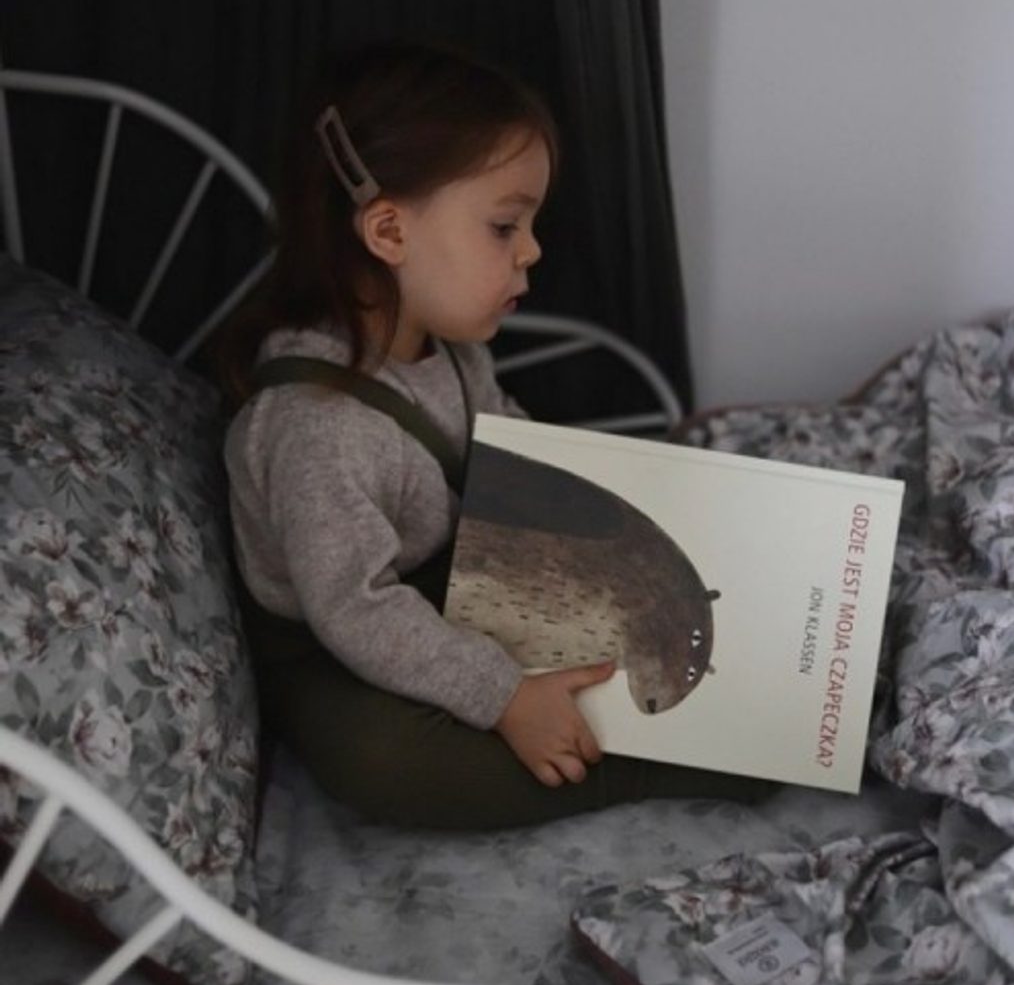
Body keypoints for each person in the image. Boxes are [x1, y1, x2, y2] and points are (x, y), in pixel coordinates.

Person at [220, 42, 772, 829]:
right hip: (338, 642)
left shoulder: (451, 352)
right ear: (388, 230)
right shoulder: (317, 430)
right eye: (505, 225)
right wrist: (505, 695)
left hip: (443, 581)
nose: (533, 249)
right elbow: (357, 612)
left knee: (607, 596)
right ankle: (644, 765)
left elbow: (515, 457)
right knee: (385, 760)